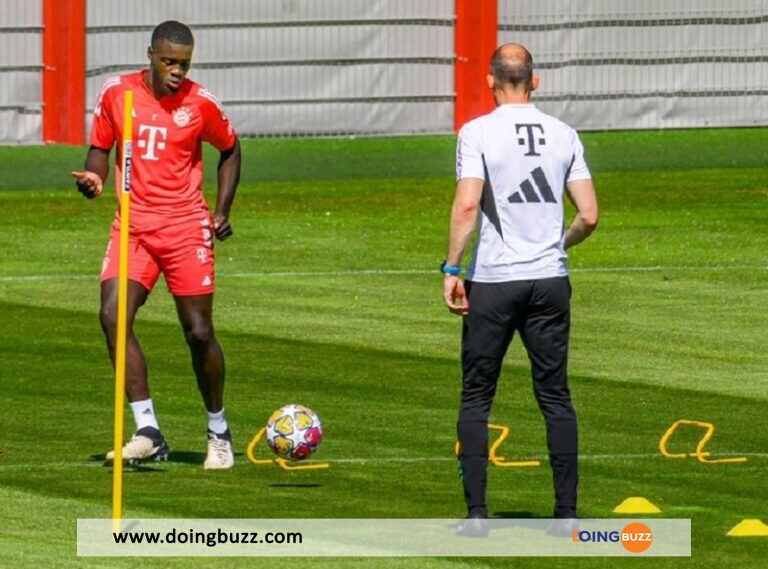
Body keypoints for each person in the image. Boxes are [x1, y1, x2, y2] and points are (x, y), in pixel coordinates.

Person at [442, 43, 599, 537]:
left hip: (495, 280)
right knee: (555, 396)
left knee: (477, 395)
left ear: (490, 80)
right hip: (549, 280)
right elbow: (589, 215)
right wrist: (558, 245)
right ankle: (566, 514)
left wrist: (452, 267)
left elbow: (468, 206)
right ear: (535, 81)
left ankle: (477, 515)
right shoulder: (564, 133)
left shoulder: (477, 132)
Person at [72, 20, 242, 470]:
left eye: (184, 63)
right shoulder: (117, 93)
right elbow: (99, 149)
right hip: (133, 227)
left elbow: (230, 148)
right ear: (150, 55)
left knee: (198, 332)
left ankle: (219, 430)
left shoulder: (201, 103)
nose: (177, 71)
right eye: (169, 61)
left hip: (186, 227)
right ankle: (148, 430)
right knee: (112, 316)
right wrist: (95, 179)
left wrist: (222, 210)